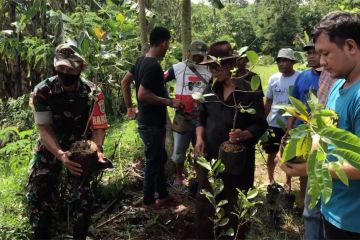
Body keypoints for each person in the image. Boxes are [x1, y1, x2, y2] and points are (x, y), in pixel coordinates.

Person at [280, 11, 360, 239]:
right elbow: (322, 132)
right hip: (332, 207)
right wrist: (299, 154)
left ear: (350, 46)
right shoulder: (338, 85)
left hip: (353, 221)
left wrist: (312, 170)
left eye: (326, 53)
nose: (321, 62)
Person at [27, 43, 109, 239]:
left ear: (80, 67)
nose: (65, 72)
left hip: (81, 148)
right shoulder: (43, 91)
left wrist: (96, 150)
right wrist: (61, 155)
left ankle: (80, 234)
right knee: (39, 188)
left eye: (70, 68)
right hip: (52, 145)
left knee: (83, 197)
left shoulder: (93, 92)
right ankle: (43, 233)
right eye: (61, 68)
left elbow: (99, 127)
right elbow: (44, 129)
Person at [194, 41, 268, 239]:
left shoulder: (247, 90)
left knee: (234, 200)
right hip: (210, 156)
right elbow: (200, 116)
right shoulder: (209, 89)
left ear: (230, 65)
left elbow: (260, 123)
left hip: (238, 160)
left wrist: (245, 134)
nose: (214, 71)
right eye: (211, 67)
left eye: (217, 67)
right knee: (206, 201)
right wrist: (199, 138)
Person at [121, 27, 182, 208]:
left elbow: (124, 82)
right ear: (163, 42)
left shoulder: (141, 61)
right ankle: (148, 201)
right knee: (154, 162)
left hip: (146, 122)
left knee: (159, 156)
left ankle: (162, 195)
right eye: (168, 43)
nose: (168, 47)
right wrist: (170, 102)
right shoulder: (153, 65)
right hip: (152, 123)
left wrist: (130, 108)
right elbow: (143, 94)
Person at [286, 41, 323, 239]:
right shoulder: (302, 77)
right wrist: (289, 129)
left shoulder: (330, 77)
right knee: (304, 169)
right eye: (308, 53)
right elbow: (296, 104)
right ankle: (303, 203)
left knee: (319, 171)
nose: (310, 56)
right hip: (303, 133)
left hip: (322, 134)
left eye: (314, 52)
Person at [164, 40, 212, 187]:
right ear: (188, 53)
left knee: (202, 150)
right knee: (179, 151)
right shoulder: (177, 68)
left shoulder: (210, 69)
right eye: (194, 55)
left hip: (203, 117)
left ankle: (201, 179)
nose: (197, 58)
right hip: (182, 116)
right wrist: (169, 100)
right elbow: (159, 80)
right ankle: (179, 176)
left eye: (200, 56)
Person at [263, 48, 301, 187]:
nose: (281, 63)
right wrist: (263, 120)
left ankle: (288, 182)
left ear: (292, 62)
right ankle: (270, 178)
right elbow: (268, 101)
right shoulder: (274, 78)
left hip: (293, 124)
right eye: (279, 61)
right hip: (274, 122)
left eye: (284, 60)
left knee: (288, 154)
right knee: (271, 152)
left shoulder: (299, 77)